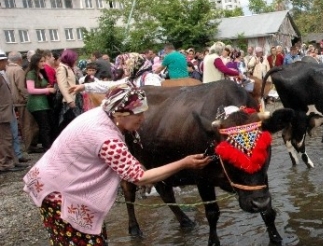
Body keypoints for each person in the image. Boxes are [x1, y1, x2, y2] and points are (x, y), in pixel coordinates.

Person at [23, 83, 211, 244]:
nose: (143, 119)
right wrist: (184, 163)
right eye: (138, 114)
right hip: (60, 195)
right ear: (120, 114)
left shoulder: (101, 113)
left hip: (48, 181)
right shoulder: (106, 139)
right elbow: (139, 178)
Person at [0, 51, 29, 173]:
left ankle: (12, 161)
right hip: (2, 114)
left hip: (6, 111)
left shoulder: (2, 74)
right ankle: (6, 164)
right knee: (4, 139)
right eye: (4, 61)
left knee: (10, 137)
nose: (6, 63)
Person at [25, 53, 56, 151]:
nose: (43, 63)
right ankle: (47, 147)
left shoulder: (40, 73)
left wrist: (46, 87)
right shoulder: (31, 73)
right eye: (41, 61)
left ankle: (48, 146)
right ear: (35, 62)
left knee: (47, 125)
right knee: (44, 126)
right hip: (36, 105)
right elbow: (31, 90)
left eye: (44, 61)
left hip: (43, 103)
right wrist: (47, 90)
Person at [56, 49, 82, 133]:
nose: (76, 60)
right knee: (69, 123)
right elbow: (62, 86)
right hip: (69, 101)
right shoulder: (62, 68)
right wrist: (69, 100)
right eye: (74, 58)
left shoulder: (68, 68)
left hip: (74, 98)